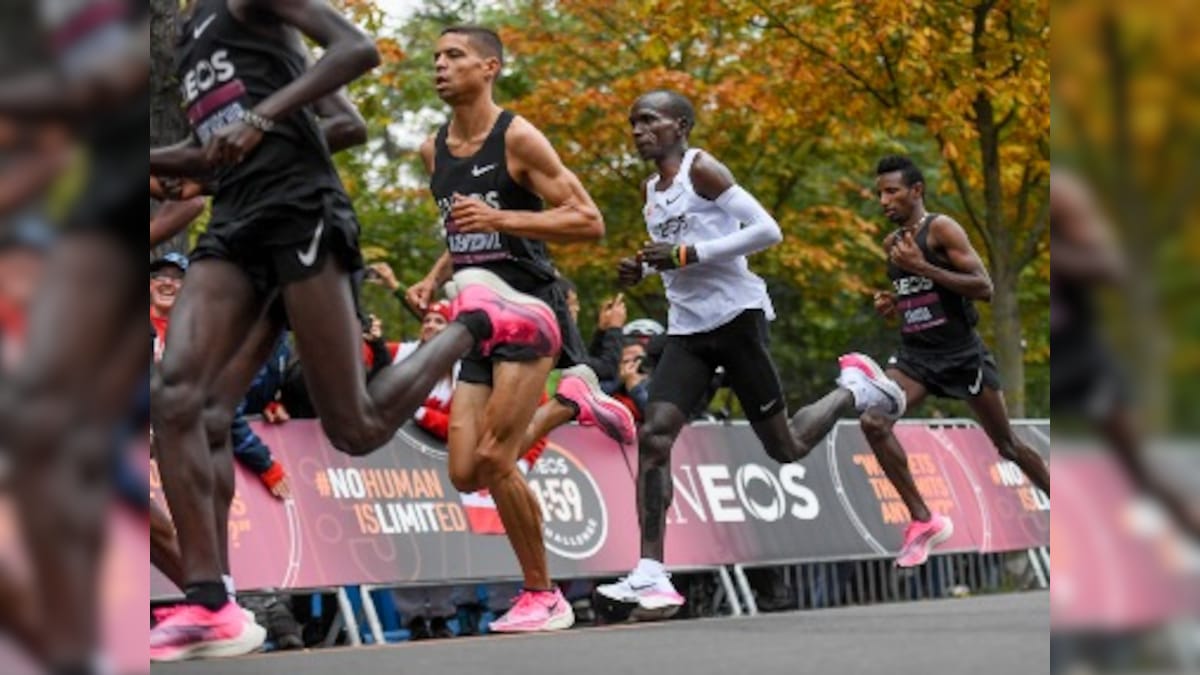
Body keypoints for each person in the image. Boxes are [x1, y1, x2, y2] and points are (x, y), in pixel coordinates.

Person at [147, 4, 560, 661]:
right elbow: (233, 148)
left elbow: (356, 50)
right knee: (181, 400)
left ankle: (478, 322)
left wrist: (262, 120)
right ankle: (211, 600)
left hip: (301, 210)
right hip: (236, 220)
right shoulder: (188, 37)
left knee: (357, 427)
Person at [596, 90, 906, 618]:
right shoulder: (652, 190)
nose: (638, 131)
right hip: (688, 330)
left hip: (738, 320)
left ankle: (853, 389)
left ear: (681, 126)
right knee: (654, 435)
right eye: (633, 123)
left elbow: (767, 231)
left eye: (649, 120)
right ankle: (652, 573)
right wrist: (644, 268)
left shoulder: (703, 170)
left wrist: (688, 253)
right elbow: (677, 256)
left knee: (785, 447)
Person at [405, 25, 636, 632]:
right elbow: (462, 231)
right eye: (435, 58)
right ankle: (571, 399)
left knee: (496, 456)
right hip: (479, 315)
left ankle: (543, 594)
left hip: (531, 307)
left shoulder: (519, 138)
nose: (440, 66)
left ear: (490, 68)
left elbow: (589, 221)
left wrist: (503, 215)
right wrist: (435, 277)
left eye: (454, 56)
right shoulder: (433, 151)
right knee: (465, 471)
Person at [854, 154, 1051, 567]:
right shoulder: (892, 244)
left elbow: (983, 287)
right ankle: (923, 520)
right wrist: (896, 301)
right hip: (916, 358)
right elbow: (920, 290)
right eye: (880, 194)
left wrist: (922, 266)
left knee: (1008, 446)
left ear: (916, 191)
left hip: (962, 356)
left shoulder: (941, 229)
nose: (884, 201)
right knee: (873, 421)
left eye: (892, 191)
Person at [1050, 169, 1198, 537]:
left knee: (1142, 472)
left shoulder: (1061, 196)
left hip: (1081, 360)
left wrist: (1059, 258)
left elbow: (1111, 268)